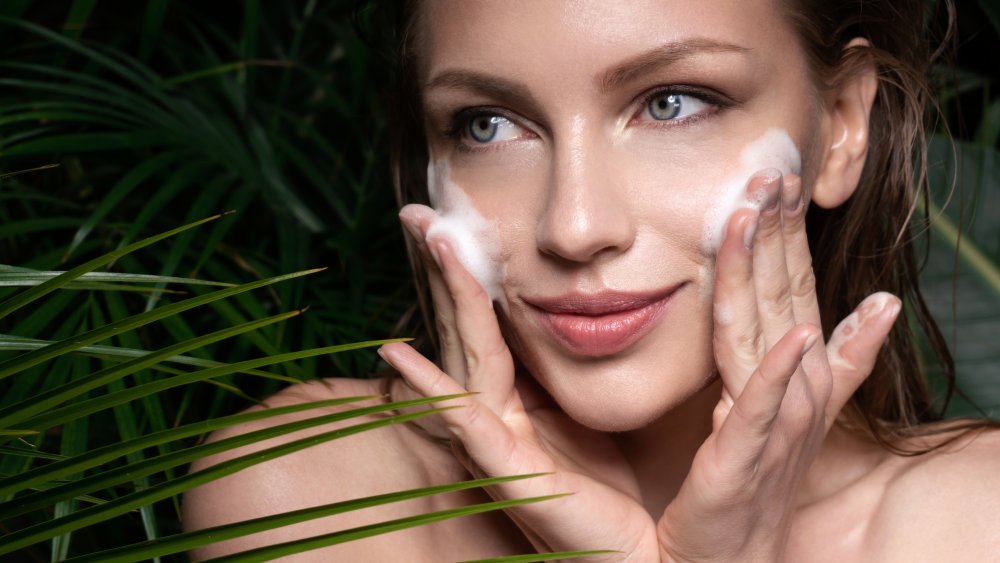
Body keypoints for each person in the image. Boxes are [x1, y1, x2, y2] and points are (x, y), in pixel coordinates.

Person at [183, 1, 1000, 560]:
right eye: (488, 125)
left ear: (843, 128)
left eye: (674, 103)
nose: (572, 227)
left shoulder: (977, 520)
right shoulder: (314, 489)